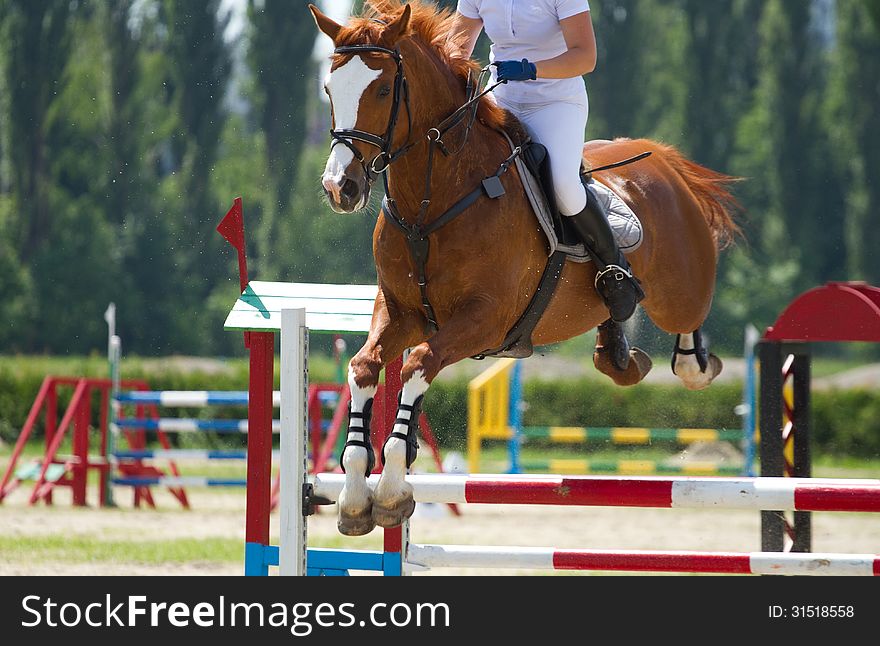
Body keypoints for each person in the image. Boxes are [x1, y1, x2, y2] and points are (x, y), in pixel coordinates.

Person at [447, 0, 644, 323]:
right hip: (502, 97)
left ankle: (615, 269)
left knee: (564, 187)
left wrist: (530, 68)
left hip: (555, 102)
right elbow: (456, 48)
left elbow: (585, 55)